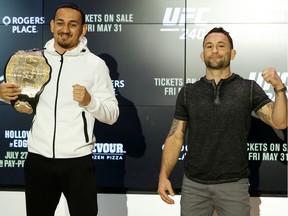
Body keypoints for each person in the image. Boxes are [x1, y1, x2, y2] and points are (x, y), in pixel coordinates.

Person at [1, 3, 119, 216]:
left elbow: (112, 115)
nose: (65, 29)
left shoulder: (95, 65)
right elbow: (17, 97)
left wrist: (90, 101)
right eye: (61, 23)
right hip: (38, 160)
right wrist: (2, 95)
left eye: (73, 24)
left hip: (78, 163)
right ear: (52, 25)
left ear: (83, 29)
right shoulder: (33, 59)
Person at [157, 27, 287, 216]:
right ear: (202, 55)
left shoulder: (248, 88)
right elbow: (175, 136)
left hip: (234, 185)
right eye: (209, 46)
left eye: (221, 46)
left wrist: (279, 89)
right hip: (194, 186)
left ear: (232, 53)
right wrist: (163, 175)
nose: (215, 50)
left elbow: (280, 122)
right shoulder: (188, 92)